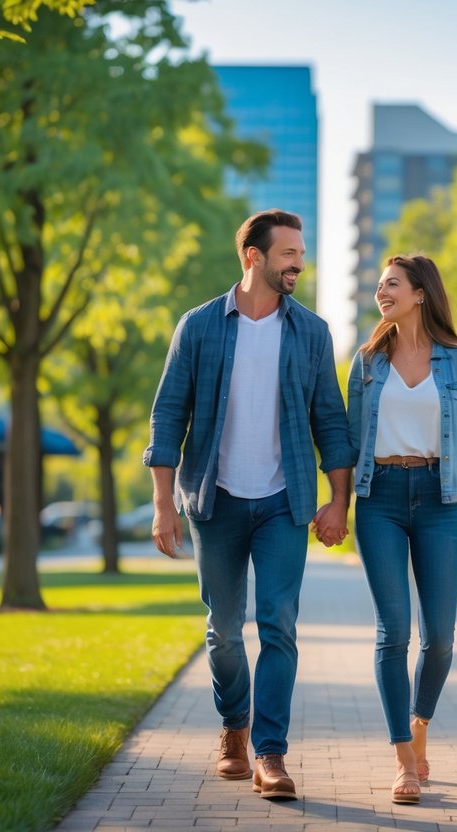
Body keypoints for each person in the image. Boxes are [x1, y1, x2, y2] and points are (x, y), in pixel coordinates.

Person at [144, 209, 354, 801]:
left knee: (280, 628)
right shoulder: (201, 326)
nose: (300, 263)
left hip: (285, 502)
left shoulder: (311, 331)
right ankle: (233, 726)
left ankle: (270, 753)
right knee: (224, 631)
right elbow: (167, 414)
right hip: (216, 500)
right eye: (289, 253)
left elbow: (331, 422)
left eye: (302, 254)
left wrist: (339, 502)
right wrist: (164, 504)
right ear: (253, 257)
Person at [344, 253, 457, 804]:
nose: (382, 293)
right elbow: (350, 444)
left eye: (392, 285)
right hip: (379, 498)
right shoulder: (367, 363)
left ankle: (420, 722)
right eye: (379, 286)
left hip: (439, 498)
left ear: (420, 293)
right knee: (393, 632)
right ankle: (405, 759)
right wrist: (337, 502)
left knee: (442, 640)